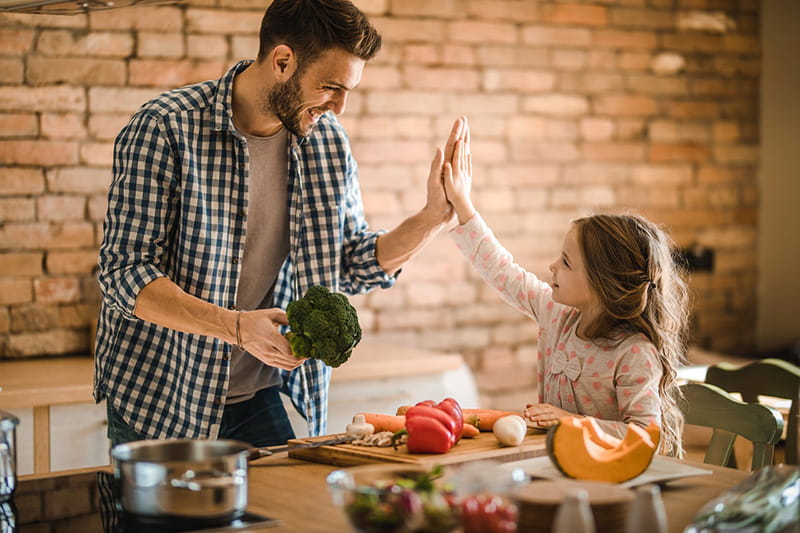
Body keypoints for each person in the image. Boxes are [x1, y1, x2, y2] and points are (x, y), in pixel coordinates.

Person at [95, 0, 466, 448]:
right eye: (331, 87)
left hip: (258, 395)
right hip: (161, 398)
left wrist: (432, 219)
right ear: (283, 61)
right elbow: (125, 273)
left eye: (348, 90)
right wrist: (235, 326)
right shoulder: (165, 128)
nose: (340, 107)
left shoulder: (325, 142)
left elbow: (349, 263)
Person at [442, 128, 690, 456]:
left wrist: (573, 422)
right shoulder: (557, 314)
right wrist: (462, 204)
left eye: (567, 263)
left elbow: (646, 437)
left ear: (602, 283)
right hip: (559, 466)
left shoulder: (633, 353)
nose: (552, 266)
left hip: (611, 481)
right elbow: (502, 271)